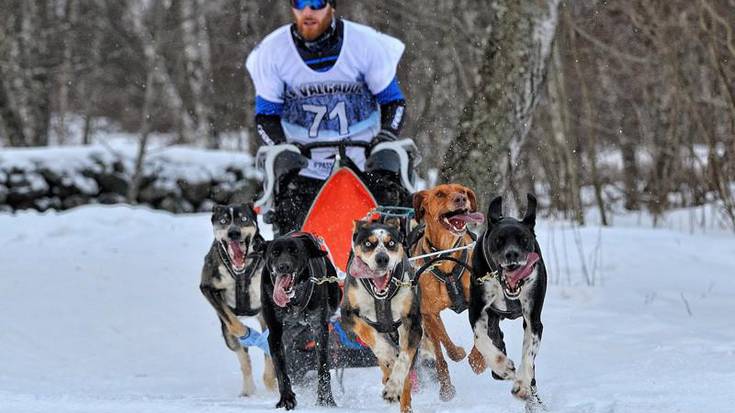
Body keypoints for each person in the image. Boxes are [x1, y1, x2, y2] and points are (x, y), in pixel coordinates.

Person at [246, 0, 410, 235]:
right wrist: (282, 147)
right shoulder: (272, 51)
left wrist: (384, 138)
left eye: (316, 3)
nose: (307, 11)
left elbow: (394, 102)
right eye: (299, 3)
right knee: (290, 234)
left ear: (332, 6)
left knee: (392, 222)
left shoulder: (365, 44)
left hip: (364, 162)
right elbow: (265, 116)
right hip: (304, 166)